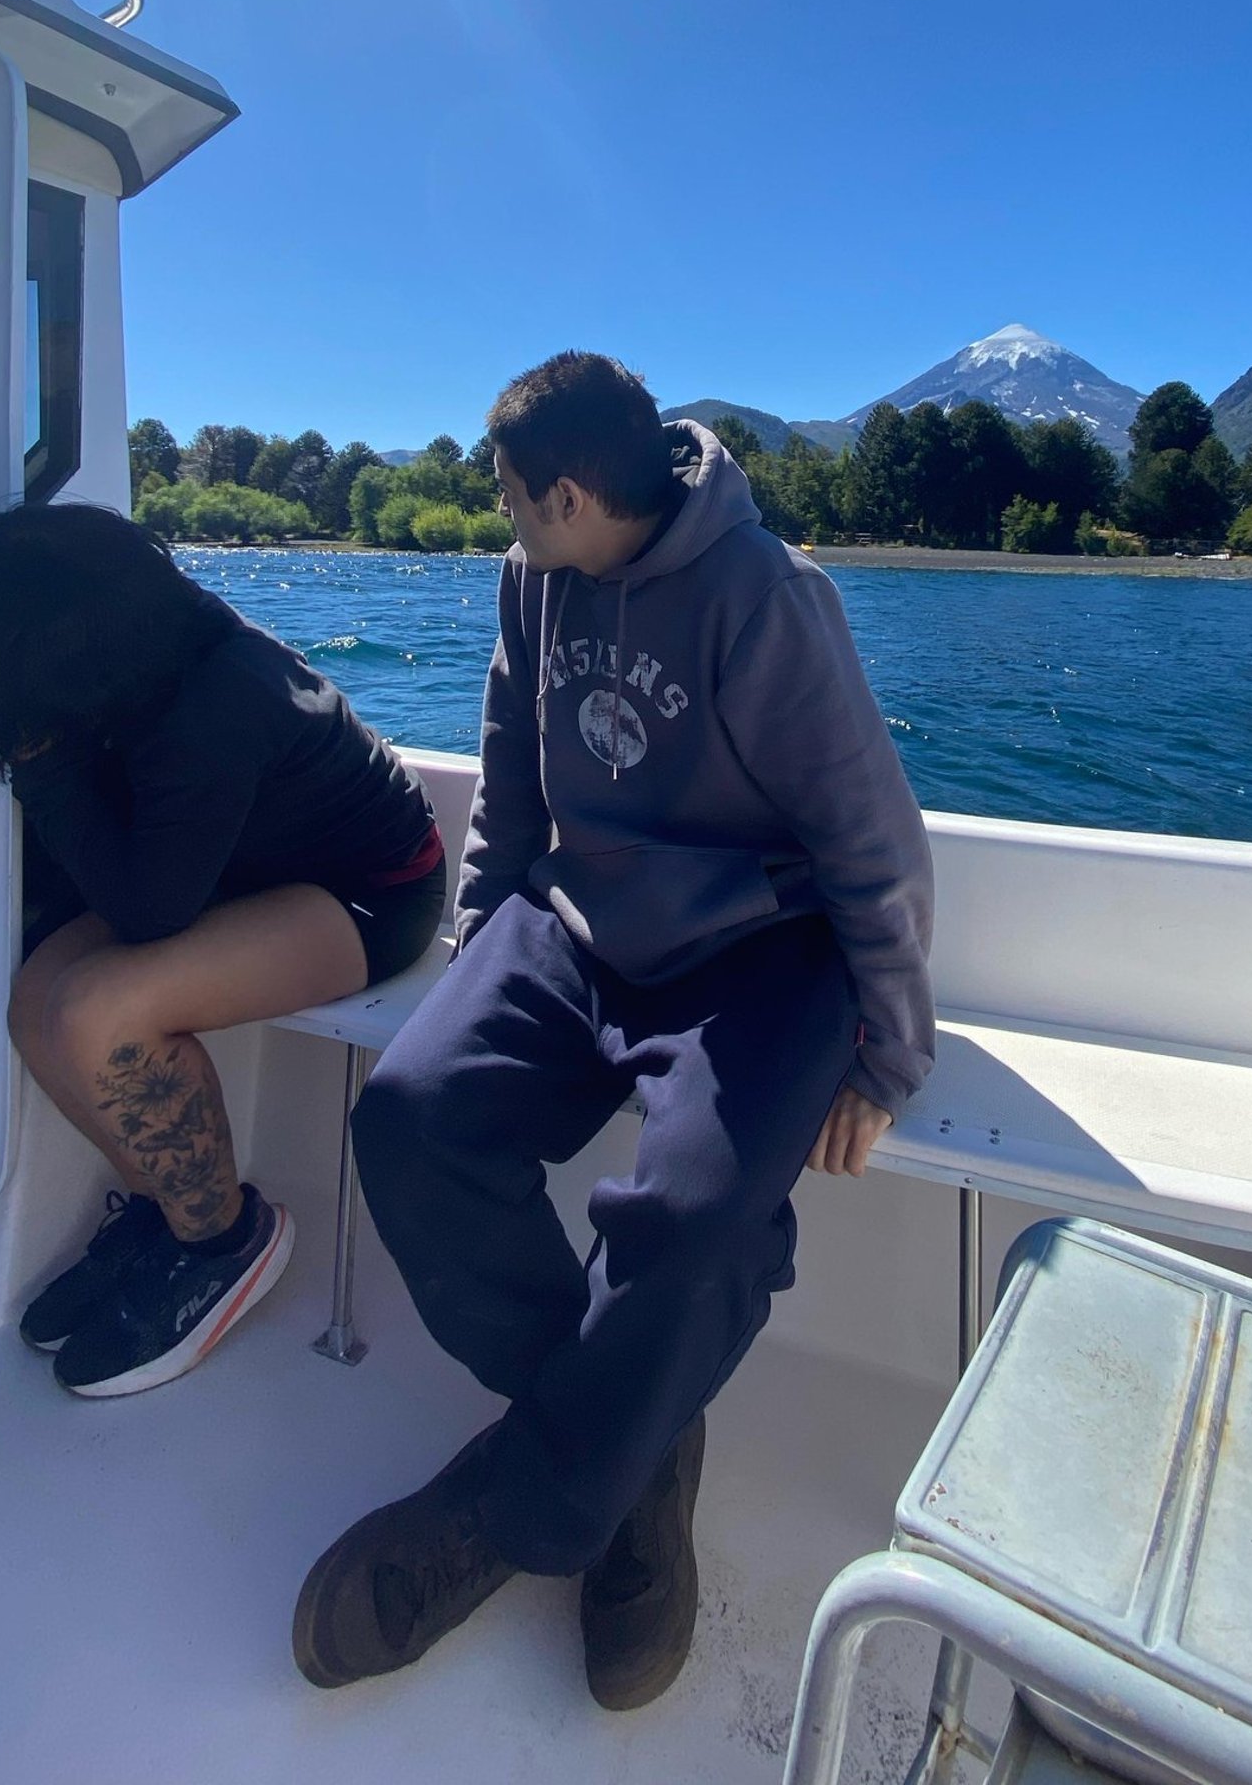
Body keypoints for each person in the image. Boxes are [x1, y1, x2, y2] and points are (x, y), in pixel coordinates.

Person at [292, 354, 934, 1710]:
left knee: (697, 1221)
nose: (503, 519)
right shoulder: (537, 580)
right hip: (580, 923)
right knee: (409, 1120)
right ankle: (634, 1442)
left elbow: (869, 836)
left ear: (573, 495)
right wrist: (477, 954)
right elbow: (511, 774)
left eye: (515, 498)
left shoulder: (766, 597)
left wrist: (890, 1054)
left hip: (764, 948)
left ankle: (516, 1512)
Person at [0, 503, 443, 1399]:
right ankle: (165, 1215)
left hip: (370, 892)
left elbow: (149, 910)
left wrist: (38, 756)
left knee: (99, 1015)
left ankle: (224, 1242)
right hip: (241, 864)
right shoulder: (148, 646)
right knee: (38, 999)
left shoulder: (216, 704)